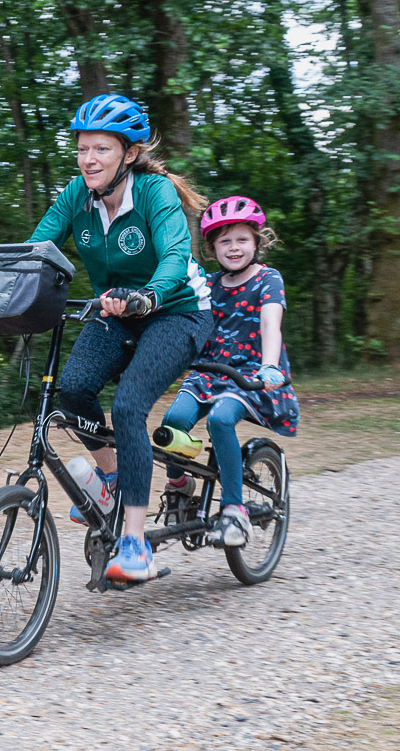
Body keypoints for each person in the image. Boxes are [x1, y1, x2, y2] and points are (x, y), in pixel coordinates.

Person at [29, 93, 213, 583]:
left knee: (129, 407)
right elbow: (37, 249)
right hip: (119, 310)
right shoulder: (76, 195)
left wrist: (148, 296)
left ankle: (135, 543)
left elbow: (176, 256)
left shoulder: (154, 193)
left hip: (177, 310)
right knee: (72, 389)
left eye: (102, 149)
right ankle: (110, 478)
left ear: (129, 154)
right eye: (83, 148)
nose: (89, 159)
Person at [158, 195, 299, 546]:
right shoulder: (208, 284)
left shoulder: (268, 279)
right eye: (225, 241)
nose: (233, 248)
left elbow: (270, 324)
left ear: (256, 241)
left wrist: (269, 365)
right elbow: (183, 322)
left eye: (241, 239)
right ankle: (179, 484)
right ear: (212, 247)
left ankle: (235, 511)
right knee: (173, 423)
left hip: (250, 374)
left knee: (220, 420)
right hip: (209, 371)